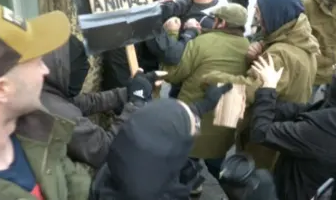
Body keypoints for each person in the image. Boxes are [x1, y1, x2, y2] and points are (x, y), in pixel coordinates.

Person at [0, 0, 90, 199]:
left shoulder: (38, 130)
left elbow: (77, 186)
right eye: (38, 62)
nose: (45, 70)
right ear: (1, 89)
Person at [203, 0, 320, 170]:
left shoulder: (279, 54)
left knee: (250, 178)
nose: (258, 19)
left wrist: (212, 77)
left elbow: (250, 91)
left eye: (260, 14)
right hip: (285, 127)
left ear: (275, 15)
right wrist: (255, 58)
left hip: (265, 133)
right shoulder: (302, 40)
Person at [249, 50, 336, 200]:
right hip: (331, 188)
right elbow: (308, 111)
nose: (334, 67)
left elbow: (260, 132)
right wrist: (272, 103)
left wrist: (268, 88)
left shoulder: (320, 132)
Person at [161, 3, 250, 196]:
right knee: (216, 160)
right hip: (226, 116)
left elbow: (171, 75)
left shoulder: (202, 42)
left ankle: (191, 184)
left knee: (186, 159)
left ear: (221, 22)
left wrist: (174, 35)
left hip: (195, 113)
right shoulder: (249, 48)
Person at [89, 84, 232, 200]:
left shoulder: (116, 170)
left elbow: (159, 124)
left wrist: (201, 107)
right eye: (192, 132)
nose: (196, 130)